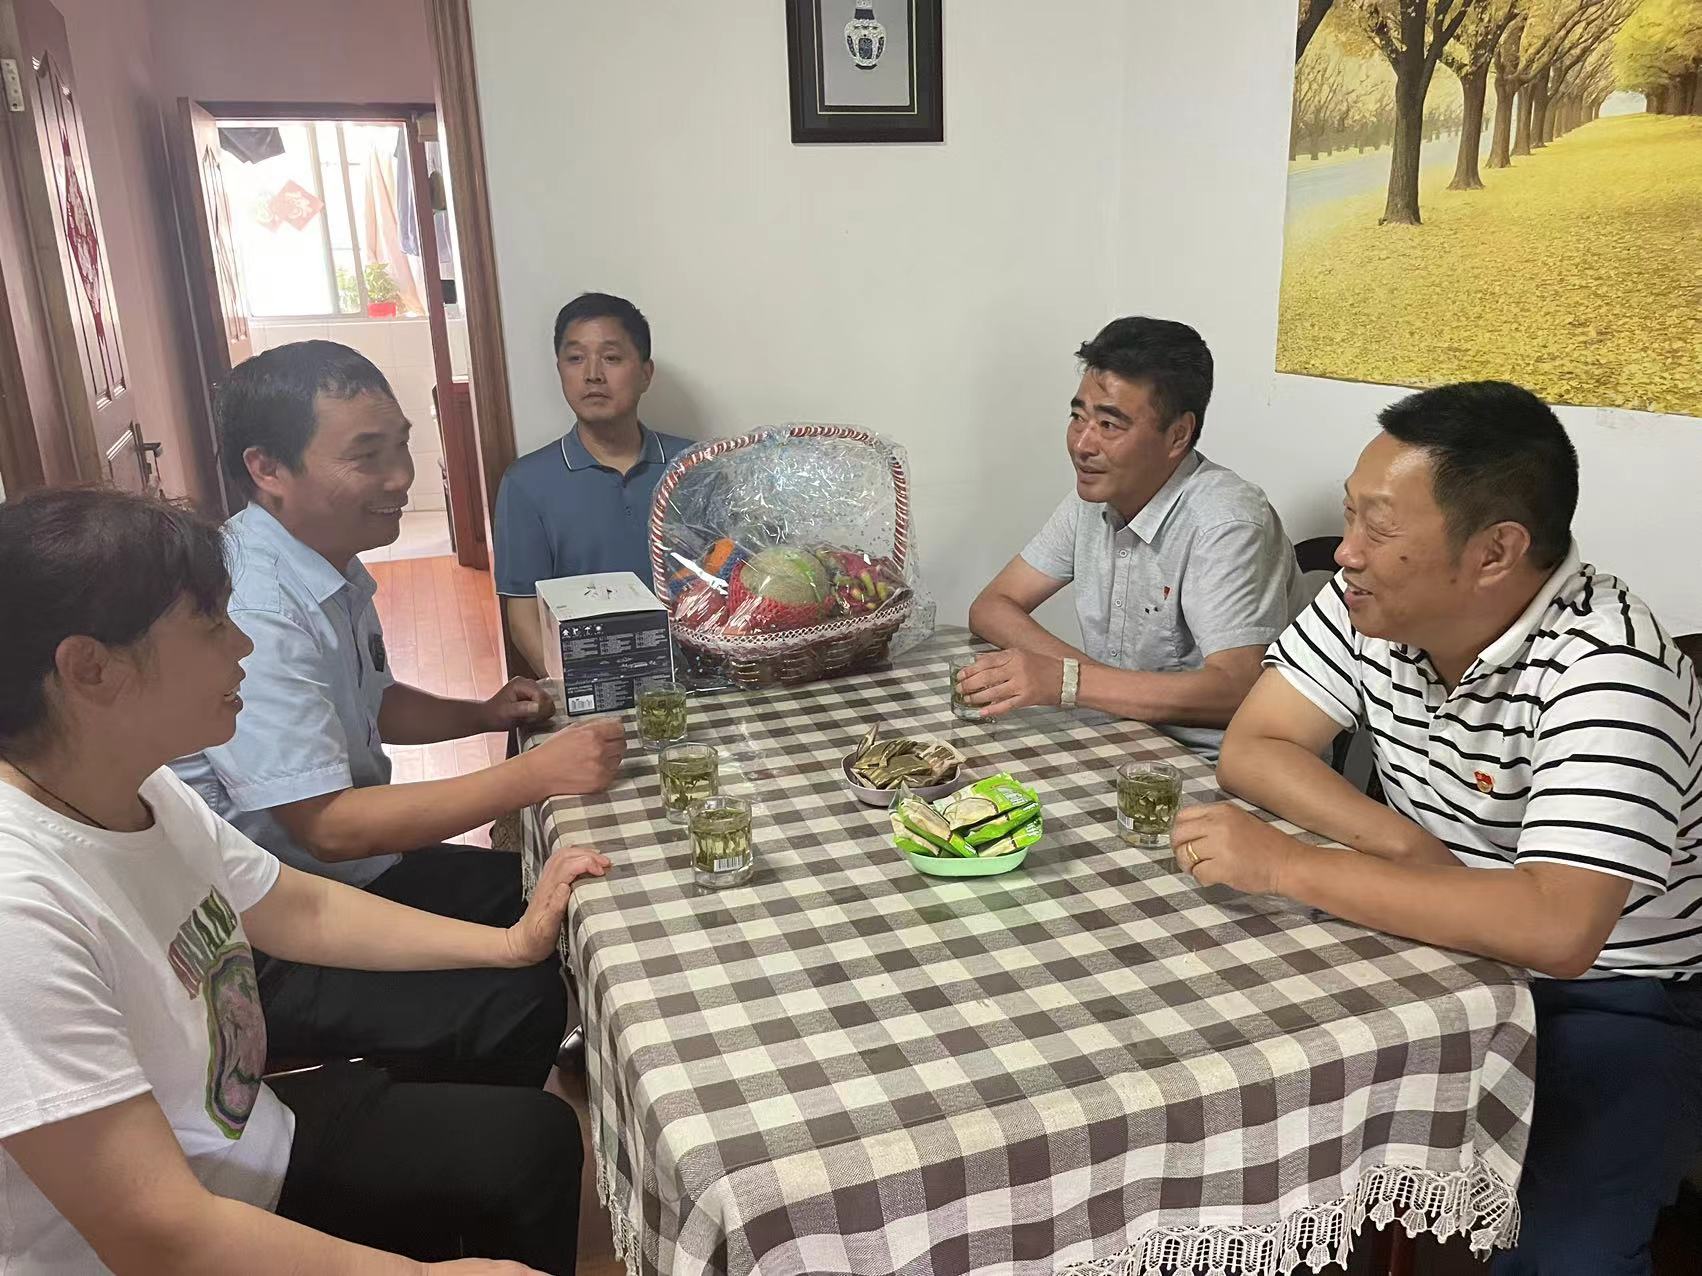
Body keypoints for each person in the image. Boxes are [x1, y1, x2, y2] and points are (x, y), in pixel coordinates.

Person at [0, 485, 607, 1274]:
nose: (241, 645)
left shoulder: (138, 787)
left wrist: (509, 945)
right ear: (91, 668)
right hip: (165, 1246)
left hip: (249, 1148)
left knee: (532, 1143)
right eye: (210, 625)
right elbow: (161, 1235)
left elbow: (300, 906)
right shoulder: (19, 911)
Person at [1178, 381, 1702, 1276]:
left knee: (1559, 1256)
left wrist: (1289, 865)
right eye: (1350, 514)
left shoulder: (1612, 668)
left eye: (1378, 527)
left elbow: (1559, 928)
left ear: (1496, 551)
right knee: (1235, 1118)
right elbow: (1256, 745)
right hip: (1429, 939)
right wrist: (1403, 844)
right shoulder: (1373, 605)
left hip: (1614, 994)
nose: (1346, 552)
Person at [170, 340, 625, 1084]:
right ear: (267, 469)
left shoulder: (321, 558)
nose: (400, 476)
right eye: (366, 455)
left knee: (567, 898)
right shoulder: (256, 605)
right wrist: (535, 775)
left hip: (341, 875)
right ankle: (454, 1117)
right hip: (266, 936)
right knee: (517, 995)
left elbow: (372, 701)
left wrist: (483, 713)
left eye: (402, 445)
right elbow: (328, 827)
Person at [961, 316, 1301, 757]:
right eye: (1077, 417)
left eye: (1109, 425)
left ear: (1177, 435)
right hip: (1120, 738)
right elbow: (991, 606)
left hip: (1215, 762)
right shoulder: (1093, 498)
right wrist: (1089, 683)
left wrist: (1071, 682)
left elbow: (1239, 689)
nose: (1082, 445)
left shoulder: (1225, 522)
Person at [495, 292, 692, 676]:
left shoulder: (693, 467)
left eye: (612, 358)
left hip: (699, 684)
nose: (592, 374)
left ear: (645, 373)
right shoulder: (526, 484)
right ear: (560, 370)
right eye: (575, 358)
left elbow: (730, 586)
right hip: (592, 686)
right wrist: (574, 692)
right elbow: (523, 614)